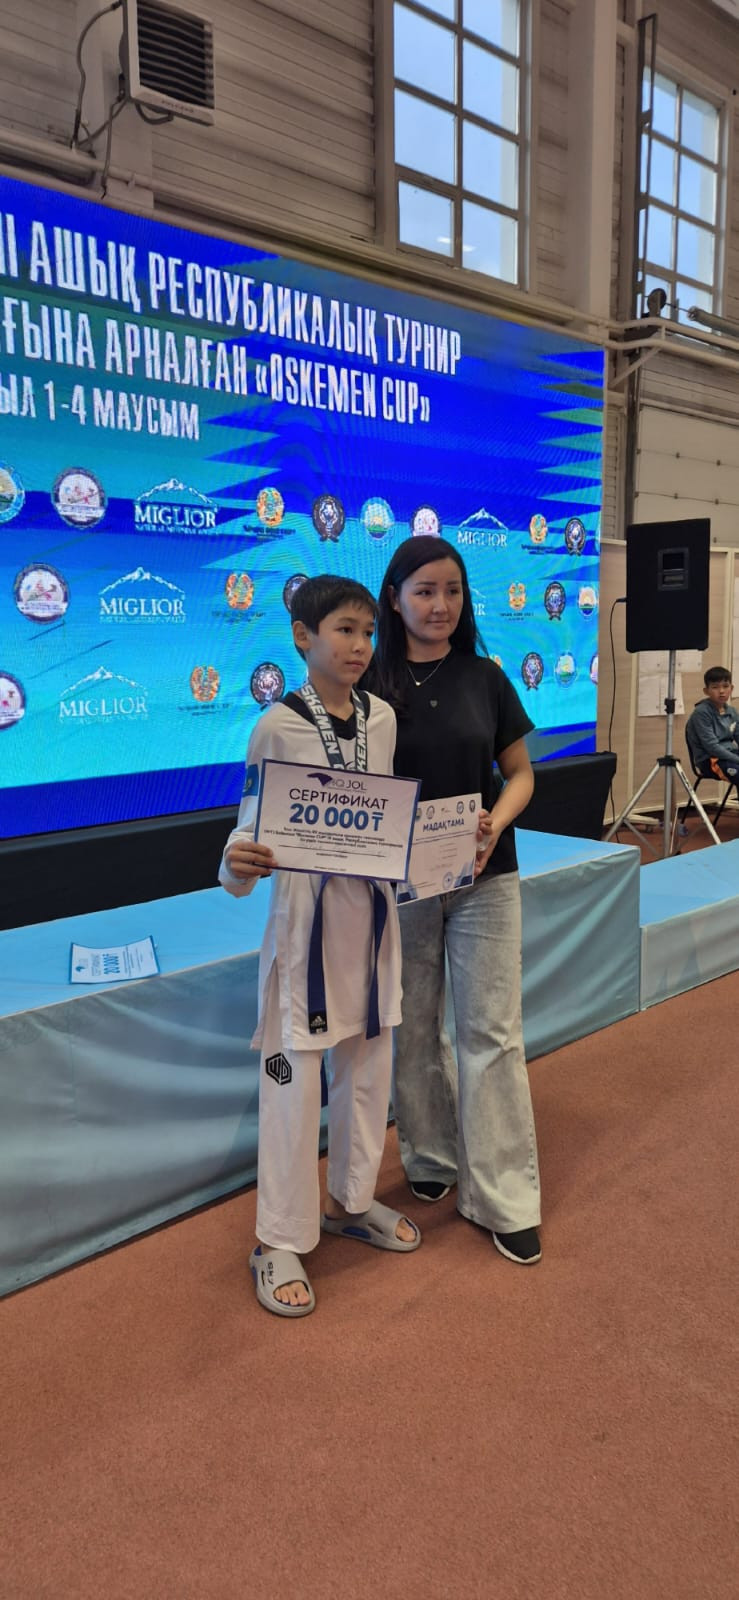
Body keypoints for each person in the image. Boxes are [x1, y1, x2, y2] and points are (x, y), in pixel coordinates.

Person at [219, 575, 420, 1318]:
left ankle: (350, 1200)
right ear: (303, 637)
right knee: (293, 1091)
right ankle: (277, 1240)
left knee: (368, 1076)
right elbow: (248, 826)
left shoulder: (383, 718)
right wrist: (236, 863)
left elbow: (386, 817)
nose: (359, 645)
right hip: (304, 935)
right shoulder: (277, 726)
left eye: (368, 632)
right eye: (343, 630)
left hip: (370, 932)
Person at [366, 536, 542, 1265]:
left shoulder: (485, 678)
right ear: (395, 598)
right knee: (412, 1028)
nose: (440, 605)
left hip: (485, 878)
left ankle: (503, 1196)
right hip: (400, 885)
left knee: (492, 1033)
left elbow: (521, 774)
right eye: (424, 590)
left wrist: (493, 821)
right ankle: (431, 1155)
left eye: (452, 591)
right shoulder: (367, 682)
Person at [685, 666, 739, 781]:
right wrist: (737, 759)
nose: (721, 691)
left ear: (731, 688)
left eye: (725, 686)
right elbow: (712, 747)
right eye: (715, 687)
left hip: (730, 754)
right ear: (706, 691)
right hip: (710, 759)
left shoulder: (732, 712)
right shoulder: (701, 713)